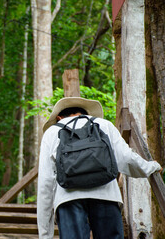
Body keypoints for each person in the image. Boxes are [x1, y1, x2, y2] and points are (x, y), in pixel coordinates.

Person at [37, 97, 162, 239]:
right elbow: (126, 158)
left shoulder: (52, 132)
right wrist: (152, 167)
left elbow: (45, 183)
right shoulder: (104, 125)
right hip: (107, 196)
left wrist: (45, 234)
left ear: (59, 117)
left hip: (68, 199)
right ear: (86, 113)